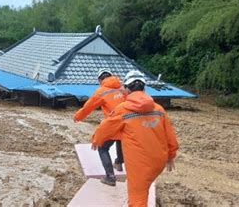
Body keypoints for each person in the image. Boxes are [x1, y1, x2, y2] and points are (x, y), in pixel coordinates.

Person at [91, 70, 179, 206]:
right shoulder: (159, 110)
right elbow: (171, 138)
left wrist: (97, 139)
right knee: (144, 187)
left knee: (137, 200)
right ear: (144, 87)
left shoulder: (123, 109)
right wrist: (170, 156)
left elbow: (105, 128)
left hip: (139, 164)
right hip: (158, 162)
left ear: (126, 89)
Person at [73, 68, 127, 186]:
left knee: (103, 148)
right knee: (120, 138)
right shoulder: (123, 88)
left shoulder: (101, 91)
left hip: (113, 123)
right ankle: (118, 163)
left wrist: (78, 116)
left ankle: (110, 177)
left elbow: (88, 107)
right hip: (128, 122)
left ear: (100, 79)